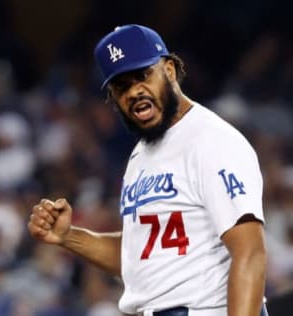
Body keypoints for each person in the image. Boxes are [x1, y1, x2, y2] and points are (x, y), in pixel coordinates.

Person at [28, 24, 269, 316]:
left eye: (143, 75)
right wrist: (69, 237)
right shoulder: (141, 156)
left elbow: (250, 253)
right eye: (122, 86)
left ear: (169, 70)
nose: (134, 91)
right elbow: (142, 258)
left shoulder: (211, 140)